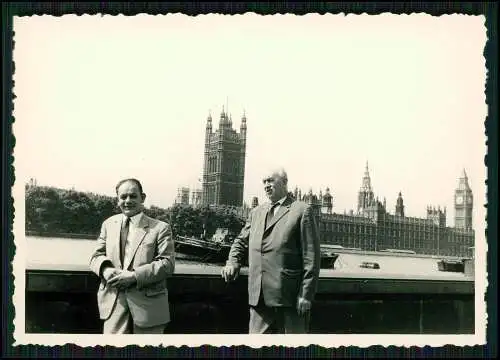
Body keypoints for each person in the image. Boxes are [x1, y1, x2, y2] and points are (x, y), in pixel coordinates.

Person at [221, 167, 321, 333]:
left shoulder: (301, 210)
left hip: (289, 300)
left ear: (284, 183)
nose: (266, 185)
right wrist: (232, 262)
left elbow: (311, 257)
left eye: (271, 180)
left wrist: (306, 295)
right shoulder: (256, 213)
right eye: (264, 182)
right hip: (259, 300)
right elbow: (240, 242)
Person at [89, 178, 175, 334]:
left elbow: (167, 263)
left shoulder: (161, 228)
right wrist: (106, 270)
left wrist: (134, 276)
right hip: (113, 307)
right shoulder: (108, 224)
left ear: (143, 198)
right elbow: (96, 256)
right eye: (123, 197)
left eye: (133, 196)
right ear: (117, 200)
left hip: (148, 309)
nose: (127, 201)